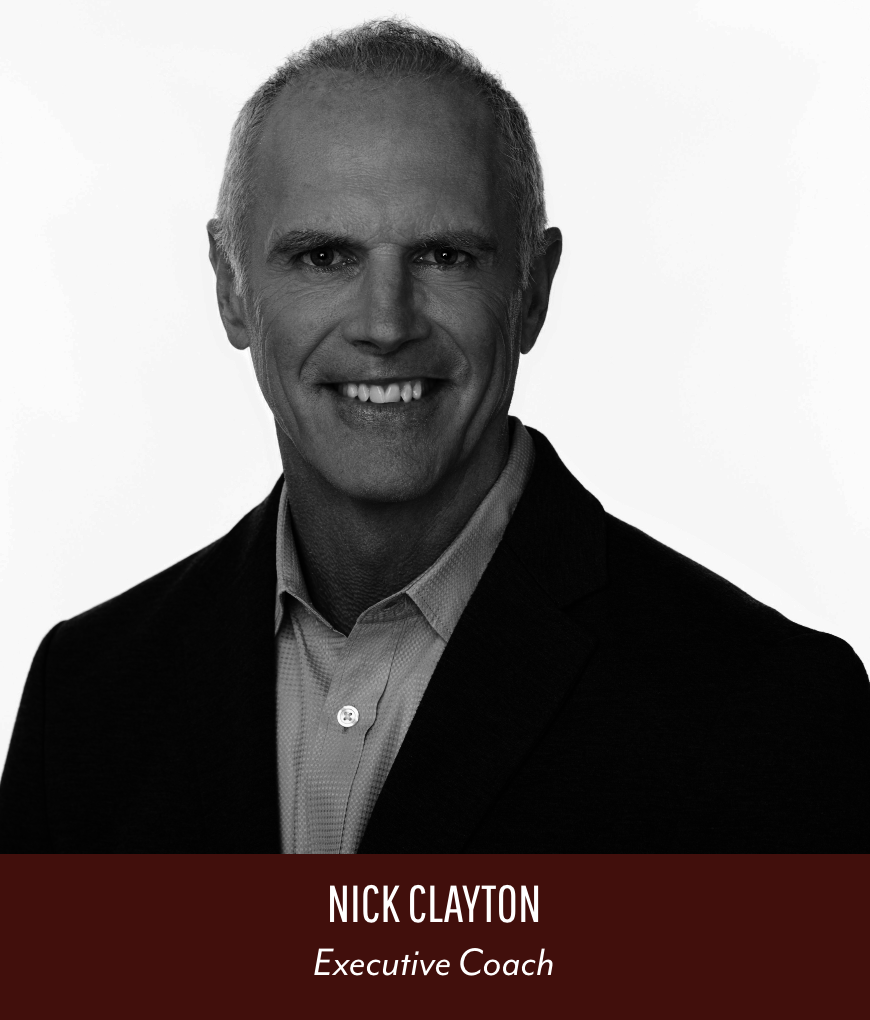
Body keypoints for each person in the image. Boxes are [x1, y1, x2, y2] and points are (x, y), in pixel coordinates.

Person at [1, 20, 868, 853]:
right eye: (324, 257)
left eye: (445, 257)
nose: (386, 324)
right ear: (231, 288)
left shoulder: (769, 711)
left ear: (534, 289)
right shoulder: (85, 703)